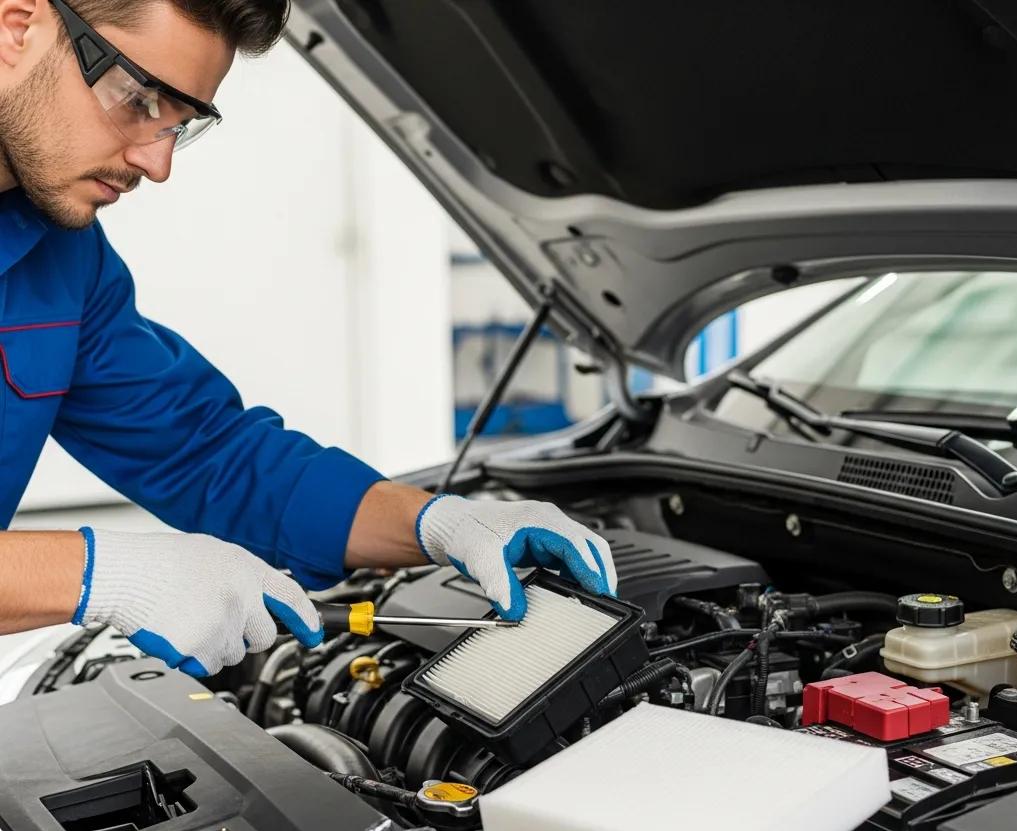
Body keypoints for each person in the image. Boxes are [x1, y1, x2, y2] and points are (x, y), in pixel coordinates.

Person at [0, 0, 617, 677]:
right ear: (17, 25)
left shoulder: (61, 256)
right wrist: (99, 571)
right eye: (138, 97)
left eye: (181, 125)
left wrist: (437, 523)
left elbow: (208, 456)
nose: (157, 163)